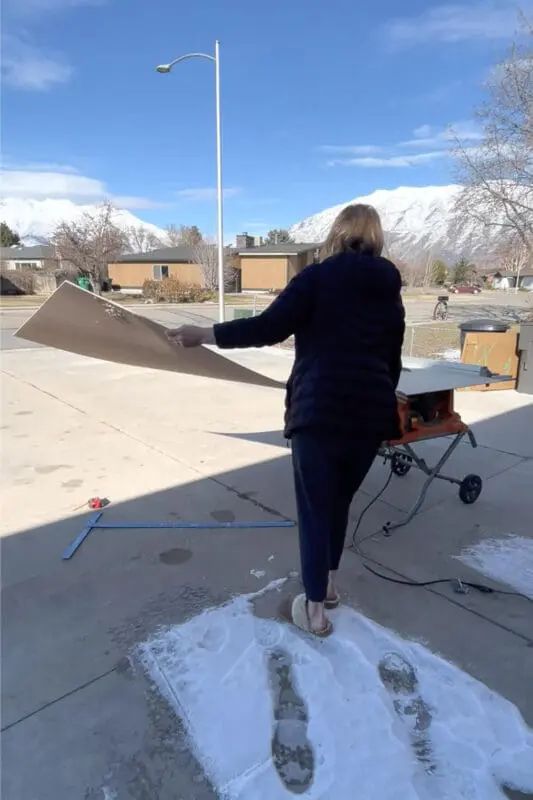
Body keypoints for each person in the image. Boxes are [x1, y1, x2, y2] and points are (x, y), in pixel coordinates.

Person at [167, 204, 405, 637]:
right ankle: (328, 586)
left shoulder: (317, 278)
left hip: (320, 412)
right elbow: (393, 359)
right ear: (375, 237)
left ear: (336, 234)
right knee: (338, 505)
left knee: (315, 510)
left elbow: (269, 327)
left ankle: (314, 611)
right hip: (370, 416)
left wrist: (205, 335)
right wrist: (380, 396)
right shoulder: (389, 289)